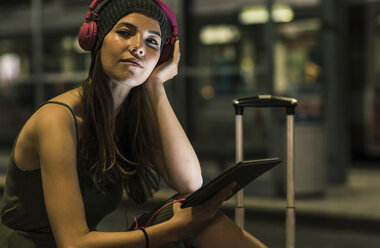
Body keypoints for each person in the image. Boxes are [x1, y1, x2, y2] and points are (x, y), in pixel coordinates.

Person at [0, 0, 268, 247]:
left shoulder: (130, 118)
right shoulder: (57, 119)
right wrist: (175, 229)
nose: (139, 46)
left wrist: (155, 86)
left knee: (191, 209)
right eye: (125, 32)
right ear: (95, 39)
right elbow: (73, 243)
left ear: (161, 58)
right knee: (190, 219)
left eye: (152, 42)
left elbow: (190, 182)